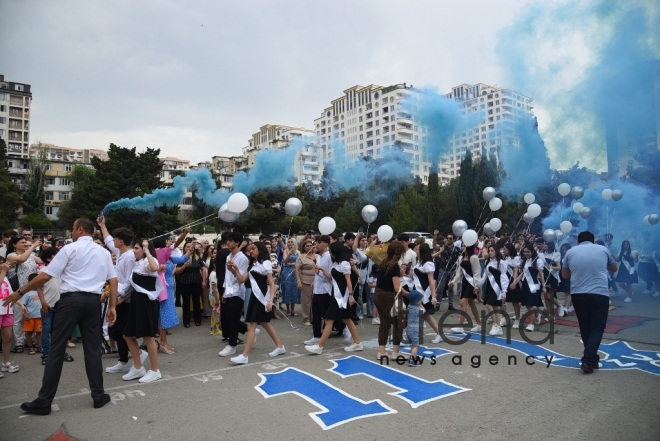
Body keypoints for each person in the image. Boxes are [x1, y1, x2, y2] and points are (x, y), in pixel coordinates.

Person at [3, 218, 118, 414]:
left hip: (71, 300)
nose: (72, 232)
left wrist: (20, 292)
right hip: (92, 301)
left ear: (80, 229)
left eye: (73, 228)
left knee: (56, 349)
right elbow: (113, 280)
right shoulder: (103, 252)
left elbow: (45, 276)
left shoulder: (69, 249)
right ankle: (98, 395)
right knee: (92, 350)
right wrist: (112, 306)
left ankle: (44, 401)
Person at [562, 231, 617, 374]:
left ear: (578, 241)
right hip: (599, 293)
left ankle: (592, 359)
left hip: (578, 293)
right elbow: (614, 268)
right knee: (597, 328)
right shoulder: (603, 249)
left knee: (585, 326)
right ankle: (588, 360)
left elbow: (565, 274)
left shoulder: (570, 252)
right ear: (593, 241)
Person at [97, 219, 147, 374]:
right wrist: (102, 225)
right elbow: (108, 240)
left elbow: (131, 283)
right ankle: (124, 360)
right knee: (118, 331)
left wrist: (117, 296)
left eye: (115, 239)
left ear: (121, 241)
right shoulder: (119, 251)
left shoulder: (131, 257)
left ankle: (134, 356)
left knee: (119, 332)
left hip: (127, 300)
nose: (113, 241)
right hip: (119, 298)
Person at [229, 242, 286, 364]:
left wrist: (270, 300)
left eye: (253, 249)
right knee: (265, 323)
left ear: (260, 250)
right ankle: (280, 347)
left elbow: (271, 283)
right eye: (251, 249)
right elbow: (242, 279)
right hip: (254, 298)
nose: (251, 251)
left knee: (251, 326)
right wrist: (234, 269)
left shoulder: (265, 263)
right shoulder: (253, 264)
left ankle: (245, 356)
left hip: (261, 298)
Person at [305, 242, 363, 354]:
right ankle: (357, 343)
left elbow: (348, 280)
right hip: (335, 294)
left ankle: (319, 346)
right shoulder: (336, 263)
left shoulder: (345, 263)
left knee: (328, 319)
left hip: (341, 296)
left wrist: (351, 296)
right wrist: (321, 269)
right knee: (347, 319)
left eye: (331, 251)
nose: (330, 253)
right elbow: (331, 277)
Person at [122, 239, 163, 383]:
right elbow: (127, 286)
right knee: (128, 335)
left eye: (137, 248)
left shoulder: (149, 262)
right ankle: (138, 367)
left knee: (148, 337)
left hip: (147, 303)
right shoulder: (138, 264)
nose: (134, 250)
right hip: (136, 302)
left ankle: (154, 370)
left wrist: (147, 251)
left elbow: (154, 268)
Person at [5, 235, 42, 353]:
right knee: (19, 318)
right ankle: (19, 343)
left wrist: (45, 250)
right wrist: (33, 246)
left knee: (31, 316)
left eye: (26, 242)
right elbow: (21, 259)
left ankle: (30, 341)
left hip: (31, 291)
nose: (26, 244)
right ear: (14, 244)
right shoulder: (11, 255)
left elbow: (42, 260)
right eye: (22, 242)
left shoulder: (31, 255)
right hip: (18, 291)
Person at [373, 241, 406, 360]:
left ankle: (382, 350)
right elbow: (397, 287)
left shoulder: (384, 262)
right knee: (398, 323)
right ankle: (395, 351)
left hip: (378, 294)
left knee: (384, 323)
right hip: (388, 296)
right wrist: (408, 293)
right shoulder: (395, 266)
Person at [218, 232, 249, 357]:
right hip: (229, 291)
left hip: (237, 292)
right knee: (227, 318)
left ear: (237, 243)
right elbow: (227, 276)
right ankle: (249, 330)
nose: (228, 242)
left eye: (231, 240)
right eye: (227, 240)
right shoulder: (228, 256)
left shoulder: (243, 258)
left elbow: (241, 279)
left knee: (233, 319)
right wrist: (225, 291)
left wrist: (234, 269)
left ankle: (232, 345)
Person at [304, 236, 332, 346]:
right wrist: (314, 282)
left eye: (319, 242)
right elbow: (318, 273)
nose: (317, 245)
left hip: (326, 290)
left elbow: (330, 275)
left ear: (326, 244)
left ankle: (341, 330)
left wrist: (320, 270)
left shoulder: (329, 257)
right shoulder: (318, 256)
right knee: (315, 314)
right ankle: (316, 335)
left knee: (327, 316)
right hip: (317, 289)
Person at [449, 244, 483, 334]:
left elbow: (477, 272)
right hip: (465, 282)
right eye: (462, 246)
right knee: (471, 304)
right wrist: (453, 281)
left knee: (462, 302)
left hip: (472, 283)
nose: (463, 247)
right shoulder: (461, 258)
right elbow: (459, 272)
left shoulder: (474, 258)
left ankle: (460, 326)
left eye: (464, 246)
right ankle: (479, 325)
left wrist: (476, 286)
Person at [411, 243, 441, 343]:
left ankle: (412, 335)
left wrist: (433, 296)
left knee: (423, 314)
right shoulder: (419, 262)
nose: (416, 250)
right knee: (424, 314)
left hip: (424, 293)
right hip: (417, 291)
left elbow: (431, 281)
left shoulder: (428, 263)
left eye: (417, 249)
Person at [513, 243, 545, 332]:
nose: (526, 253)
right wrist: (515, 282)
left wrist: (544, 286)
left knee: (530, 304)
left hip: (534, 285)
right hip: (525, 285)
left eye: (528, 252)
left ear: (532, 252)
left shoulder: (537, 261)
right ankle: (536, 313)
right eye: (524, 252)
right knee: (528, 304)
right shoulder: (524, 261)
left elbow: (541, 275)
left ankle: (531, 324)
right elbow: (522, 274)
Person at [482, 246, 509, 336]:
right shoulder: (487, 262)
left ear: (496, 252)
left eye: (492, 251)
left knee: (488, 304)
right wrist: (478, 286)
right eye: (489, 251)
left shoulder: (501, 262)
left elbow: (504, 277)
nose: (490, 252)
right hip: (490, 286)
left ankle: (495, 325)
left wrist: (504, 291)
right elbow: (484, 276)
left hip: (497, 286)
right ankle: (499, 327)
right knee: (494, 307)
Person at [0, 262, 19, 375]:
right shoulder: (3, 274)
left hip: (7, 311)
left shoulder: (5, 277)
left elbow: (11, 295)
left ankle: (6, 363)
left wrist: (21, 305)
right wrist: (3, 271)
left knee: (7, 338)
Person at [16, 273, 43, 354]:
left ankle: (39, 346)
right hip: (30, 317)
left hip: (39, 316)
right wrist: (25, 314)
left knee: (39, 332)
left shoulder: (42, 292)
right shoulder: (27, 293)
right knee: (29, 333)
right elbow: (23, 305)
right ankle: (30, 347)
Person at [295, 239, 316, 326]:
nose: (309, 247)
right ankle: (306, 318)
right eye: (307, 246)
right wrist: (299, 281)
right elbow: (296, 269)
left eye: (310, 245)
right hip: (306, 280)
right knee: (306, 300)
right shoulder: (301, 257)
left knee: (315, 300)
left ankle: (314, 317)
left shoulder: (317, 256)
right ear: (303, 248)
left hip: (317, 281)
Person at [502, 243, 522, 329]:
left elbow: (516, 272)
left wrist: (514, 283)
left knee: (515, 302)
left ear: (509, 249)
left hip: (512, 281)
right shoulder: (504, 258)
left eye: (505, 249)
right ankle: (504, 318)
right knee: (502, 300)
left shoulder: (516, 258)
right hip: (505, 281)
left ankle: (517, 319)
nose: (503, 250)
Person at [281, 238, 300, 316]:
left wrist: (292, 264)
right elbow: (285, 262)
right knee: (287, 289)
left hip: (295, 271)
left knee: (294, 290)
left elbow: (299, 262)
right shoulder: (285, 251)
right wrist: (289, 254)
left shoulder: (298, 252)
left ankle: (293, 309)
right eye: (288, 242)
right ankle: (288, 309)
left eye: (291, 242)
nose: (290, 243)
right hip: (287, 271)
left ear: (294, 243)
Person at [406, 289, 425, 367]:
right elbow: (424, 311)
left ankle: (411, 357)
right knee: (416, 346)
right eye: (420, 300)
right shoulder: (419, 309)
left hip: (409, 329)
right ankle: (412, 360)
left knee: (413, 345)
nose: (421, 301)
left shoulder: (409, 307)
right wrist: (421, 305)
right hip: (416, 330)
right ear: (416, 301)